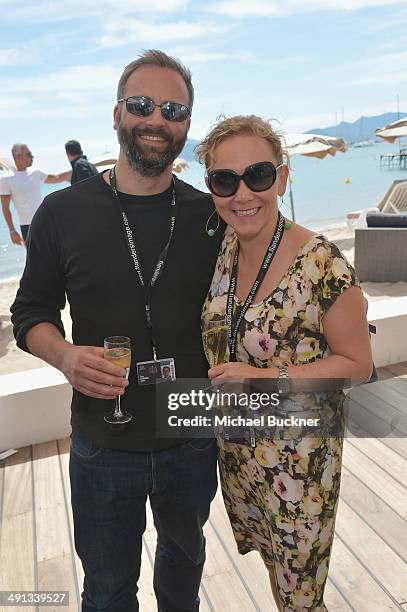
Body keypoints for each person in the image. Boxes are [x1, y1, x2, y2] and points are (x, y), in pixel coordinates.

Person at [11, 50, 224, 611]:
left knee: (183, 577)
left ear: (185, 126)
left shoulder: (211, 216)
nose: (156, 118)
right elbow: (29, 314)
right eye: (141, 104)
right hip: (104, 442)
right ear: (116, 114)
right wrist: (65, 357)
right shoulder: (62, 213)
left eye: (173, 108)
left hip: (191, 435)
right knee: (106, 592)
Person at [198, 115, 372, 611]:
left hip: (300, 463)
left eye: (258, 175)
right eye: (224, 180)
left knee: (302, 595)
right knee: (278, 572)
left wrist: (263, 377)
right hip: (242, 455)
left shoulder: (323, 262)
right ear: (211, 188)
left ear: (283, 176)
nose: (242, 193)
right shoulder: (227, 246)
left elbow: (358, 363)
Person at [0, 143, 71, 244]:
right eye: (29, 154)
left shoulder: (35, 172)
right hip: (27, 227)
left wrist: (75, 168)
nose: (32, 157)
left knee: (56, 255)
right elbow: (5, 208)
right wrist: (12, 231)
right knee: (35, 259)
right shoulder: (6, 179)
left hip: (45, 221)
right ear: (18, 157)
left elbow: (57, 178)